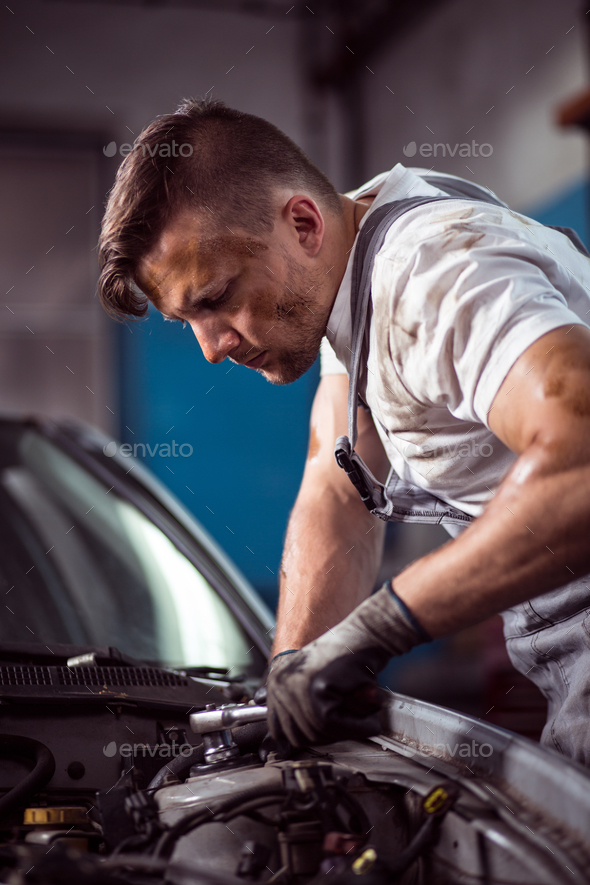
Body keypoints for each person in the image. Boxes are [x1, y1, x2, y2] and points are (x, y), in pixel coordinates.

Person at [98, 98, 590, 765]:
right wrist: (291, 677)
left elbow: (580, 451)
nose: (211, 347)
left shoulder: (432, 273)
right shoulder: (347, 269)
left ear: (302, 223)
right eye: (187, 320)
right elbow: (335, 487)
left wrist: (381, 627)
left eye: (215, 298)